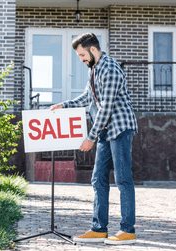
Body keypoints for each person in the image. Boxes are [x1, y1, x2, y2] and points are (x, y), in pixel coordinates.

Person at [50, 32, 138, 245]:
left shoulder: (110, 69)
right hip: (106, 131)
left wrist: (90, 137)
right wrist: (64, 105)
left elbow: (106, 108)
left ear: (93, 49)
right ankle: (99, 229)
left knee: (123, 179)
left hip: (120, 128)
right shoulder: (95, 70)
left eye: (82, 55)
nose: (81, 59)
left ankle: (128, 231)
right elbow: (87, 98)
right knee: (98, 178)